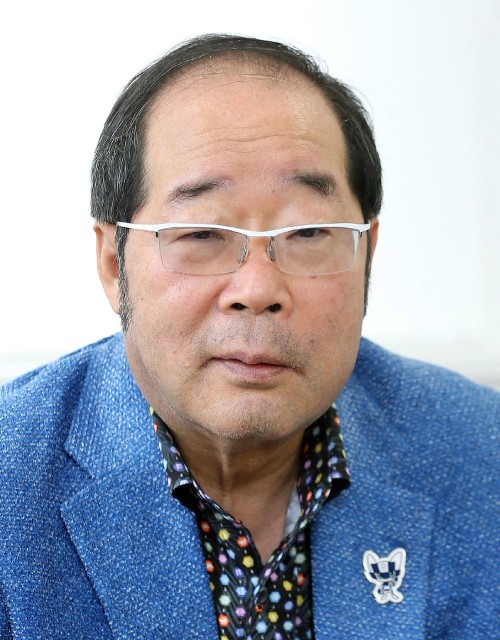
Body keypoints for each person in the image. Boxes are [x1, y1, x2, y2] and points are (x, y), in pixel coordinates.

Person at [0, 34, 498, 640]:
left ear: (368, 251)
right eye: (202, 233)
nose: (258, 287)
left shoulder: (482, 451)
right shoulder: (12, 479)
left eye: (308, 232)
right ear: (112, 262)